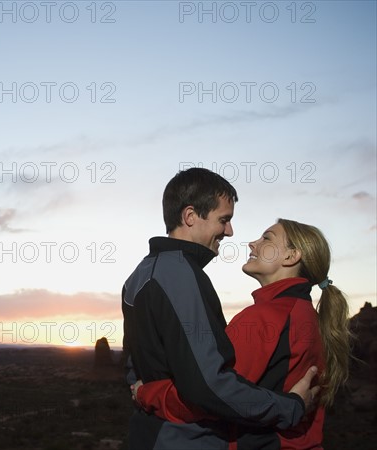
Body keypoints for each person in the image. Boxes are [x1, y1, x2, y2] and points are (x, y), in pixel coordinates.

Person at [122, 168, 319, 449]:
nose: (230, 231)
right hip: (186, 439)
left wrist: (144, 394)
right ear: (190, 216)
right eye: (223, 220)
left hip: (149, 434)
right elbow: (209, 387)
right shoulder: (180, 275)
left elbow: (133, 366)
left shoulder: (138, 276)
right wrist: (292, 407)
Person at [133, 219, 351, 449]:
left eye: (266, 238)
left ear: (291, 256)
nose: (252, 244)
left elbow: (209, 397)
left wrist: (147, 394)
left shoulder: (264, 318)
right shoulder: (307, 316)